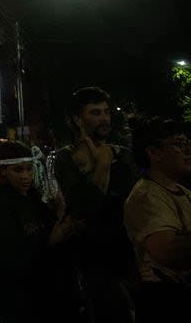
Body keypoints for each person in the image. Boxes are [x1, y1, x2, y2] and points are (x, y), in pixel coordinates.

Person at [124, 117, 191, 322]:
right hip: (174, 305)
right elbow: (166, 251)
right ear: (153, 152)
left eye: (188, 144)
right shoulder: (147, 195)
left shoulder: (181, 190)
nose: (190, 152)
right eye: (180, 144)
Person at [53, 86, 138, 323]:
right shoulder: (65, 158)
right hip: (90, 262)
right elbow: (84, 208)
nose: (104, 118)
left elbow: (133, 202)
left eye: (106, 112)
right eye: (95, 113)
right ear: (77, 120)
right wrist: (101, 168)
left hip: (127, 257)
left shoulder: (122, 155)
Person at [0, 141, 84, 322]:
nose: (25, 176)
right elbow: (9, 258)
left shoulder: (32, 198)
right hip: (21, 300)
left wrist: (60, 211)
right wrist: (51, 240)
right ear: (3, 171)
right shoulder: (0, 206)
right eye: (18, 170)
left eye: (29, 169)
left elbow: (52, 226)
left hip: (45, 294)